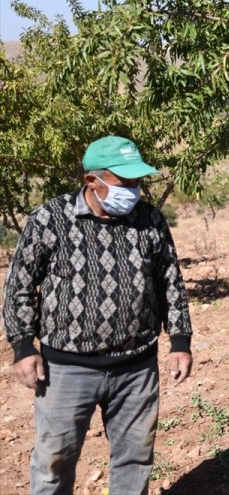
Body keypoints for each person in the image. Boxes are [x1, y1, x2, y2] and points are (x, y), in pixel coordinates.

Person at [2, 135, 193, 495]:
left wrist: (180, 340)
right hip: (66, 370)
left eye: (138, 183)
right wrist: (23, 347)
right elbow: (19, 285)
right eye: (126, 183)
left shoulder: (149, 219)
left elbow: (170, 280)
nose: (135, 191)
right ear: (93, 180)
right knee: (53, 464)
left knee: (135, 460)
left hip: (136, 367)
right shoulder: (51, 218)